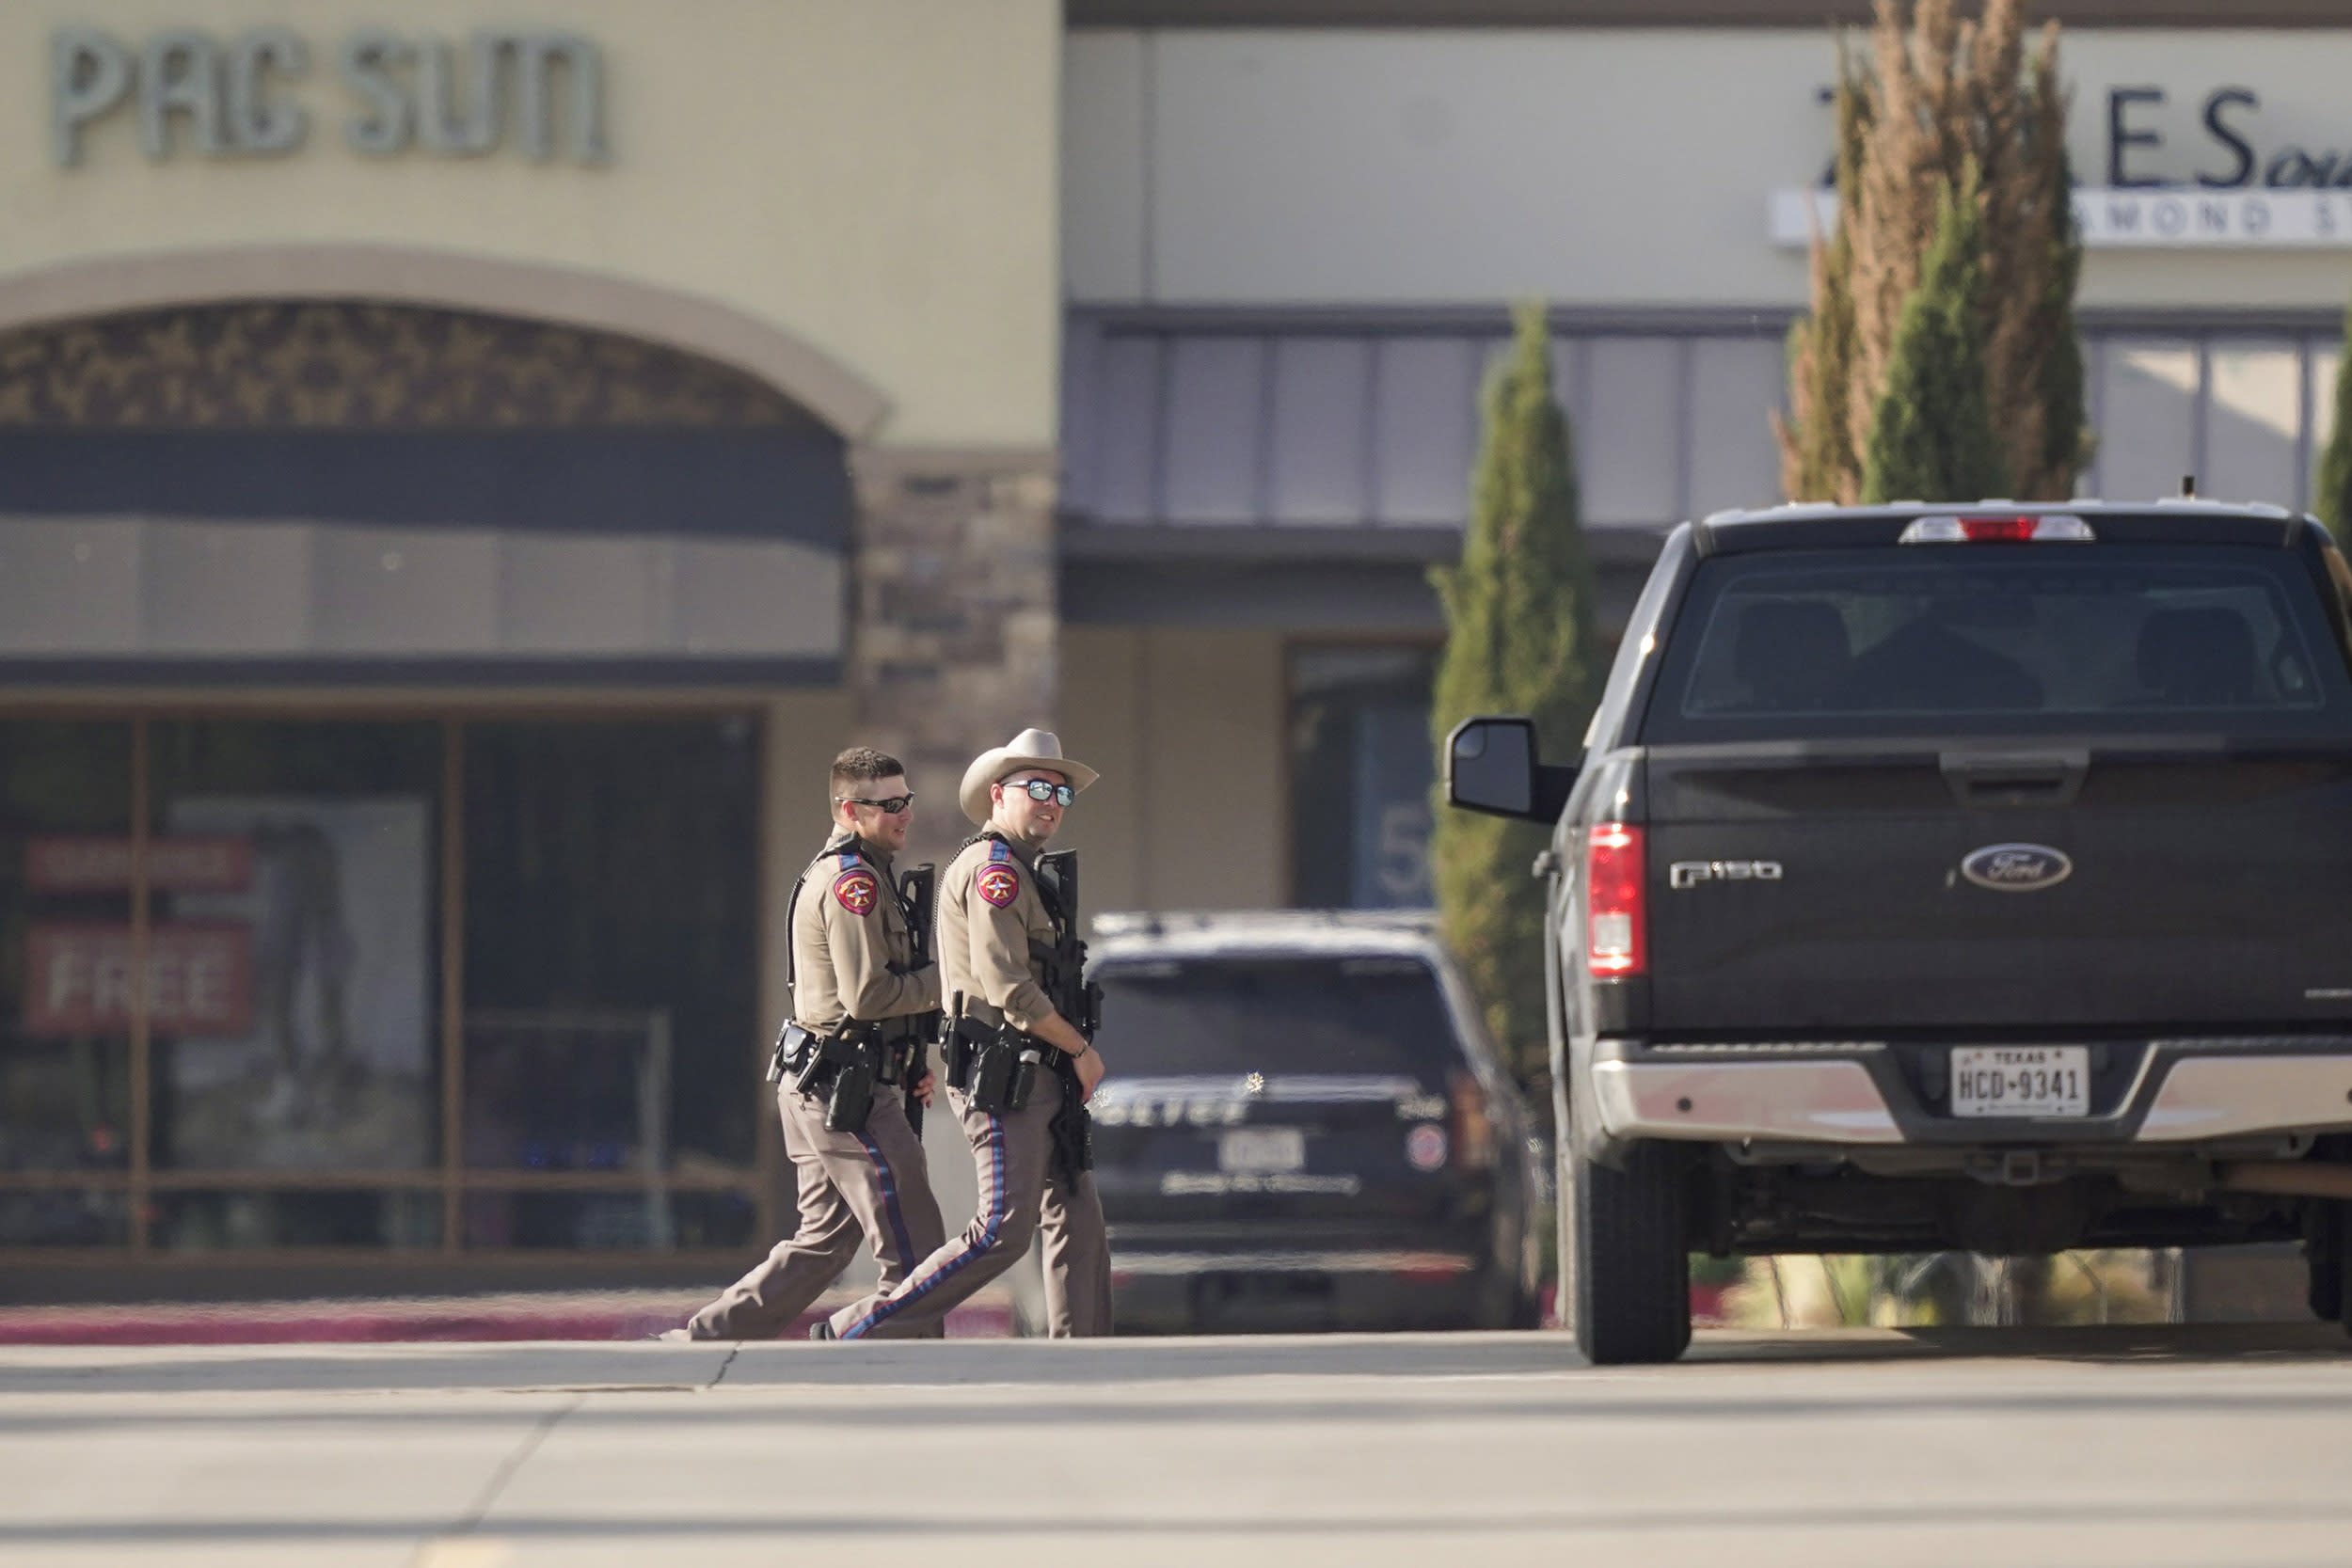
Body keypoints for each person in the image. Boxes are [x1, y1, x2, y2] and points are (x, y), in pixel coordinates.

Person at [820, 729, 1112, 1340]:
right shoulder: (994, 871)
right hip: (1004, 1072)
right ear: (998, 795)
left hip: (1040, 1068)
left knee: (1078, 1218)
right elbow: (1010, 988)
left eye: (1060, 791)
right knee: (1001, 1231)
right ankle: (860, 1324)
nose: (1051, 800)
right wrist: (1081, 1050)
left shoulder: (1029, 872)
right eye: (1036, 787)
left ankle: (1083, 1354)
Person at [670, 747, 946, 1340]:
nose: (905, 814)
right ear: (850, 810)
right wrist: (954, 980)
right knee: (916, 1246)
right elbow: (868, 997)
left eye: (907, 801)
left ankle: (706, 1337)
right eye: (889, 804)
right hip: (847, 1092)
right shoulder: (853, 884)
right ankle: (865, 1337)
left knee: (823, 1242)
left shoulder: (864, 873)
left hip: (826, 1081)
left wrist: (910, 1056)